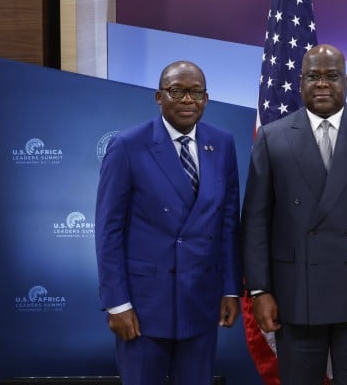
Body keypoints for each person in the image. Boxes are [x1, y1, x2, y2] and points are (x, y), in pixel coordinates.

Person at [241, 44, 347, 385]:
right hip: (296, 295)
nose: (322, 84)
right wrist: (260, 291)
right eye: (313, 76)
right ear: (300, 81)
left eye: (331, 76)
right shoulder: (273, 137)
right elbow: (256, 223)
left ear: (346, 81)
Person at [95, 60, 242, 385]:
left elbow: (228, 224)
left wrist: (230, 288)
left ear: (206, 98)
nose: (188, 100)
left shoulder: (222, 143)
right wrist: (116, 303)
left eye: (196, 92)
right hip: (144, 306)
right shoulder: (128, 146)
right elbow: (109, 231)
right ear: (159, 96)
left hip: (200, 301)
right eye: (177, 91)